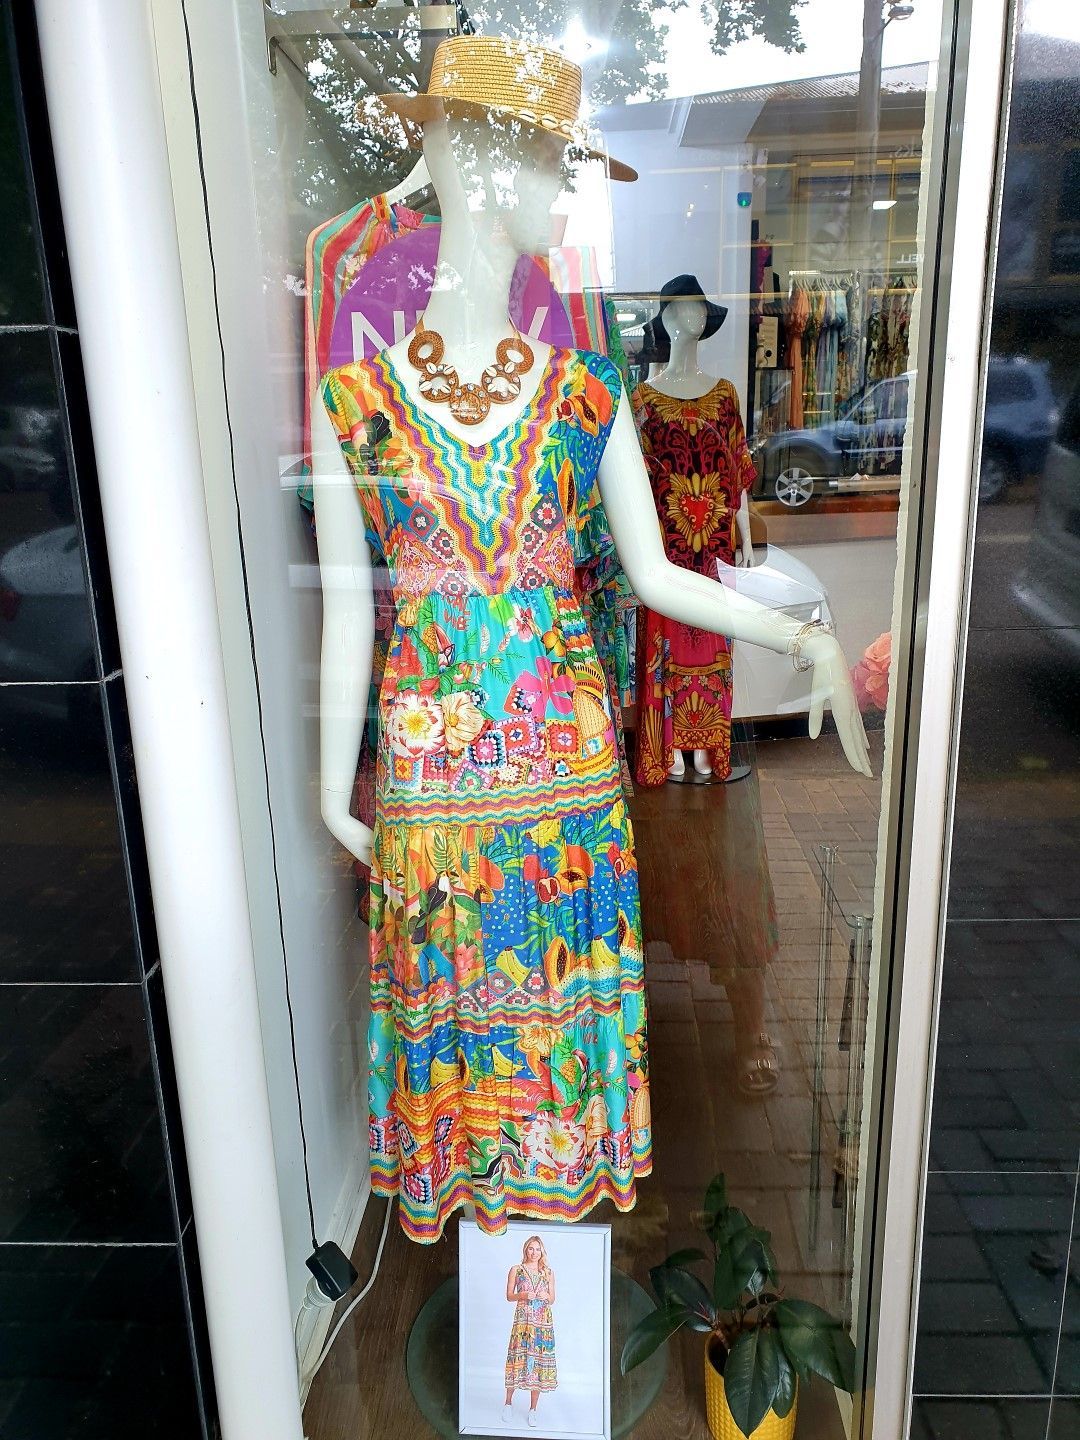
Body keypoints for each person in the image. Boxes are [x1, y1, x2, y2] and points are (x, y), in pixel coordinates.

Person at [503, 1235, 557, 1428]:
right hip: (523, 1322)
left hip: (542, 1324)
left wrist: (545, 1296)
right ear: (525, 1250)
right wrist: (524, 1294)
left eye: (537, 1249)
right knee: (517, 1359)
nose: (534, 1252)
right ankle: (508, 1403)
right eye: (531, 1248)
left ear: (542, 1251)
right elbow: (509, 1296)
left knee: (539, 1365)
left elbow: (552, 1299)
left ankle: (533, 1410)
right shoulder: (516, 1270)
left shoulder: (548, 1272)